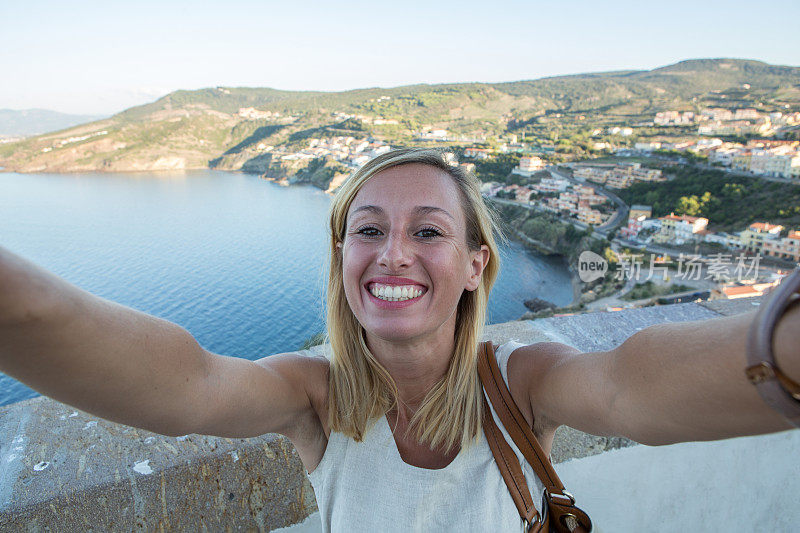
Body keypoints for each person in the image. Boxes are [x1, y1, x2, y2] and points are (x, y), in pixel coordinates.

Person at [1, 148, 798, 531]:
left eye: (428, 230)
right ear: (343, 257)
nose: (392, 253)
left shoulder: (520, 381)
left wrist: (782, 343)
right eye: (368, 229)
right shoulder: (316, 390)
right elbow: (188, 386)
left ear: (474, 265)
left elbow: (631, 386)